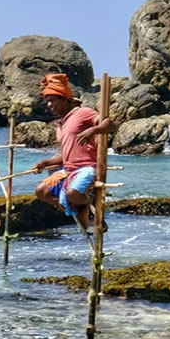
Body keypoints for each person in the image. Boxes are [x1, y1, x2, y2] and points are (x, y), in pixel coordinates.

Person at [31, 74, 115, 231]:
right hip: (68, 170)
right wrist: (46, 163)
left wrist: (93, 130)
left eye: (52, 100)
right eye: (47, 101)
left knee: (72, 194)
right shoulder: (61, 123)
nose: (49, 105)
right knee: (41, 191)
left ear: (64, 99)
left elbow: (109, 124)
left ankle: (86, 201)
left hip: (87, 168)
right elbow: (68, 154)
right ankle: (74, 208)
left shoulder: (82, 113)